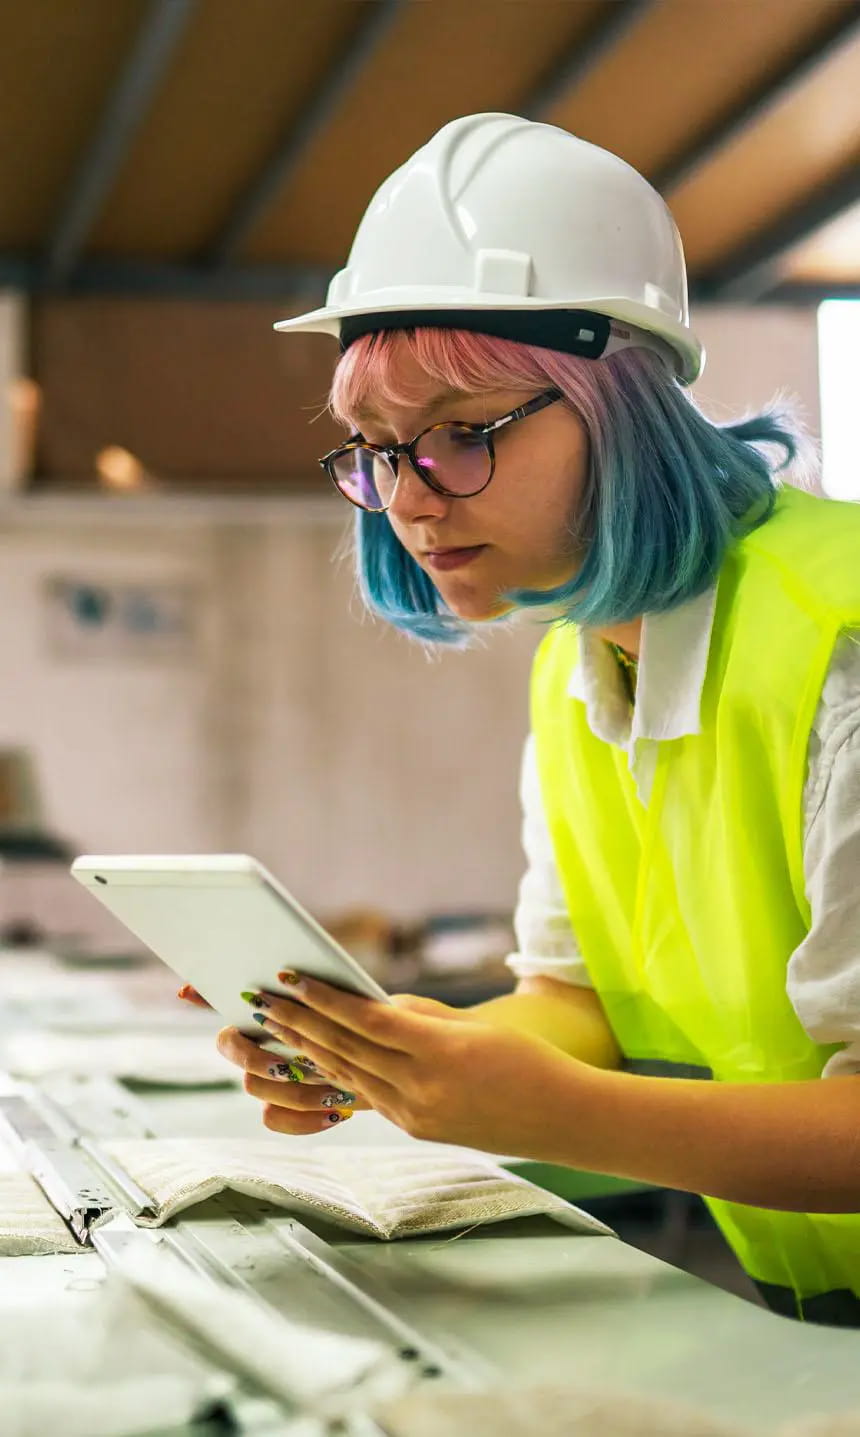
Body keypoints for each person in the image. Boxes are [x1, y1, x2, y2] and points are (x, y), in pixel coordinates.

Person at [185, 114, 860, 1325]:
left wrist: (555, 1116)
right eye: (377, 450)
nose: (409, 501)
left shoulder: (839, 640)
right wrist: (396, 1061)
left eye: (461, 435)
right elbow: (578, 999)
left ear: (621, 406)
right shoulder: (576, 667)